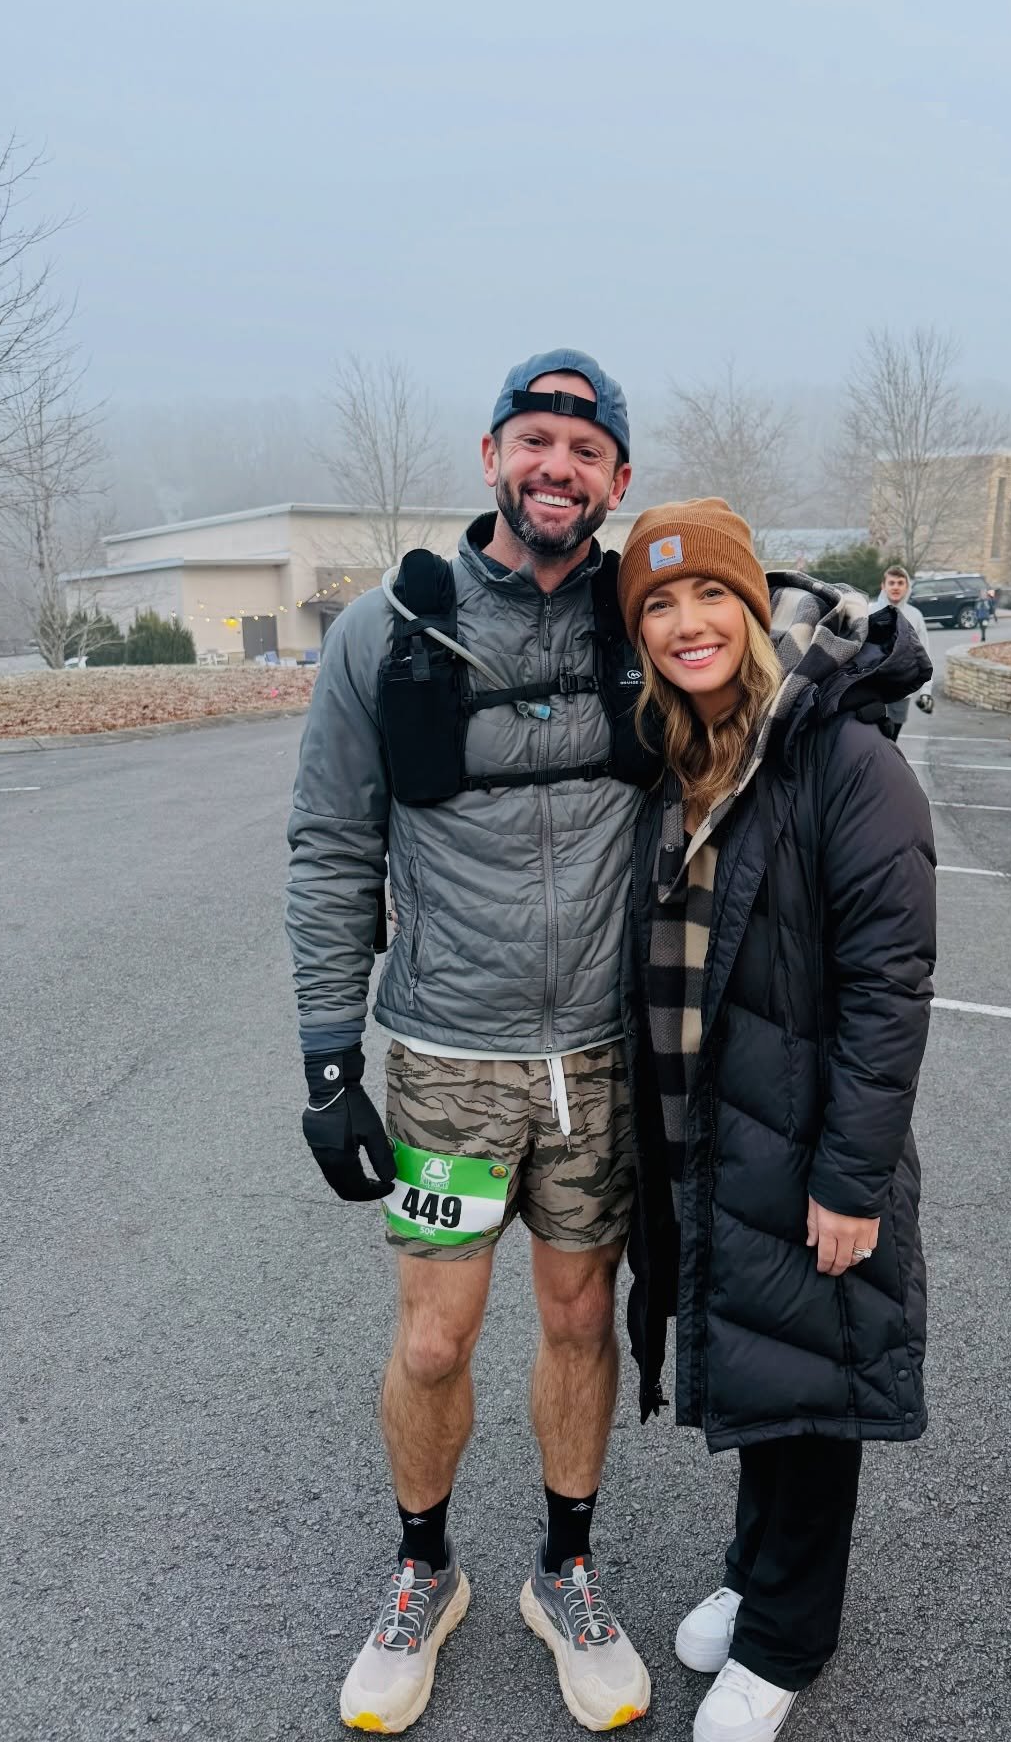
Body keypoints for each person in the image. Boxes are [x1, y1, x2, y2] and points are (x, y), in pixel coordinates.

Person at [286, 350, 654, 1735]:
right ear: (490, 455)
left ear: (620, 480)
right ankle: (422, 1573)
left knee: (579, 1317)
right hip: (452, 1056)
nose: (557, 465)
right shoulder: (384, 632)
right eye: (535, 438)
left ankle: (565, 1570)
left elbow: (750, 725)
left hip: (605, 1063)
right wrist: (330, 1054)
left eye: (586, 446)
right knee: (435, 1340)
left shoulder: (645, 618)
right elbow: (330, 846)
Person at [615, 499, 936, 1742]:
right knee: (764, 1366)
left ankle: (788, 1641)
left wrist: (850, 1181)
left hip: (808, 1141)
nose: (685, 623)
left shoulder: (845, 760)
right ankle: (756, 1579)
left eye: (708, 597)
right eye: (657, 604)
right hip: (718, 1129)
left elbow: (887, 987)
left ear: (755, 609)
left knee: (812, 1393)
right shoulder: (689, 754)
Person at [868, 563, 934, 736]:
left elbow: (924, 655)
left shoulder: (915, 616)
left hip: (900, 691)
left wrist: (926, 691)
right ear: (883, 586)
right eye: (891, 583)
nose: (895, 587)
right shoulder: (869, 611)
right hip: (872, 690)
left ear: (907, 586)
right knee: (871, 738)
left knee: (892, 738)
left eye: (900, 583)